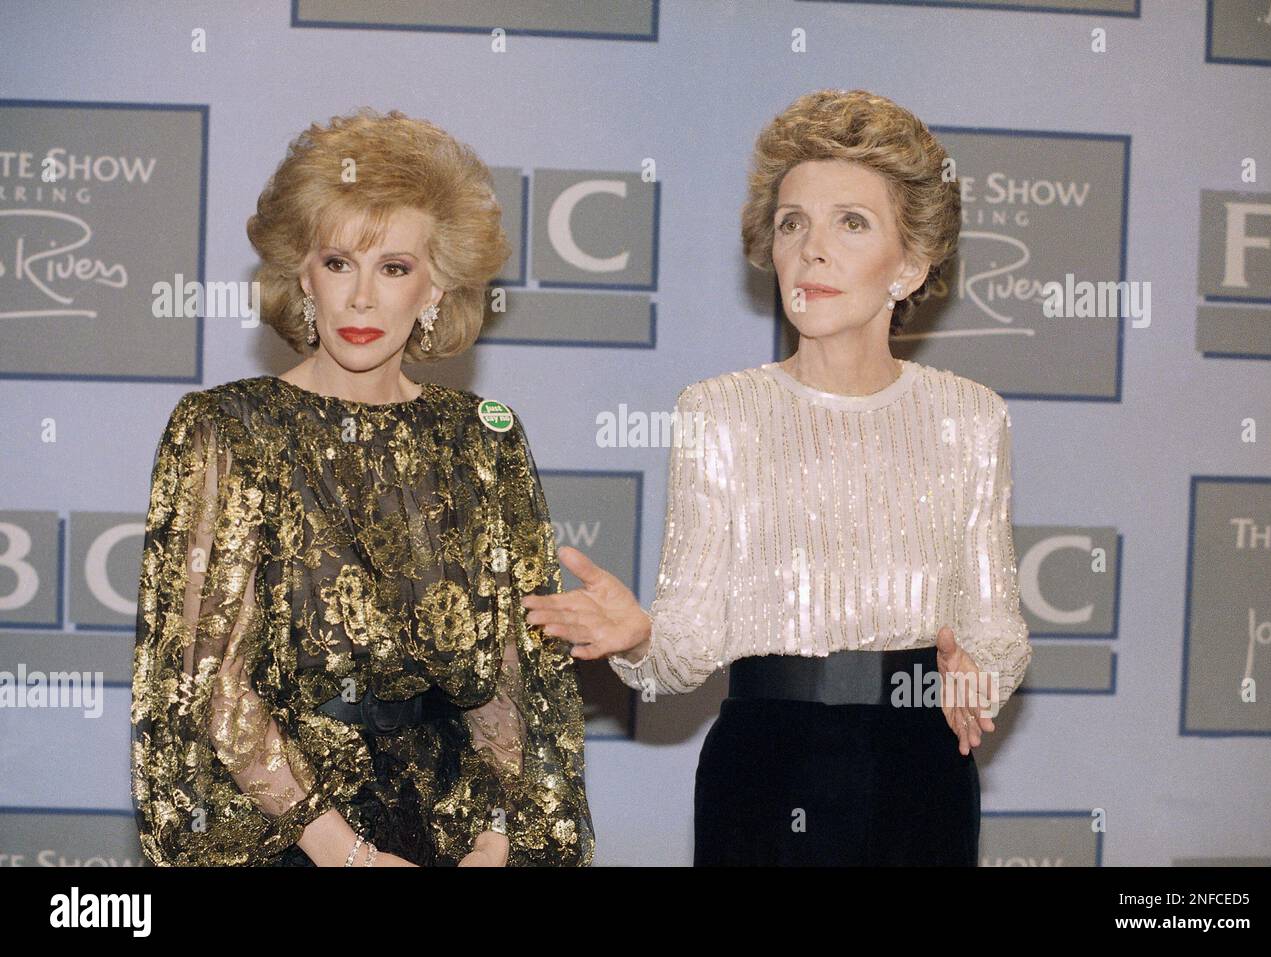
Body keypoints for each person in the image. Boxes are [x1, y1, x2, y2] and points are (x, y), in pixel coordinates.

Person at [521, 89, 1032, 866]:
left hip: (920, 766)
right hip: (764, 768)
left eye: (850, 222)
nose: (812, 249)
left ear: (912, 263)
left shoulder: (972, 417)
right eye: (794, 222)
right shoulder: (719, 411)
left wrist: (974, 677)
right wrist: (640, 636)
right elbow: (686, 648)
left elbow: (995, 628)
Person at [131, 108, 594, 867]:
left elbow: (511, 675)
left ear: (437, 287)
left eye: (395, 268)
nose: (361, 299)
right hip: (289, 835)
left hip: (449, 833)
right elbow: (213, 686)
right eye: (339, 262)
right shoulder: (231, 429)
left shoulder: (483, 437)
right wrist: (349, 854)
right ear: (301, 274)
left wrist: (496, 838)